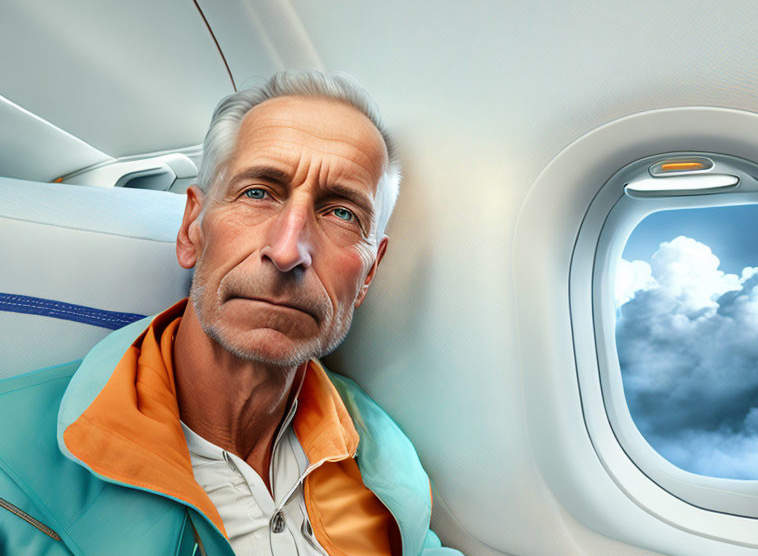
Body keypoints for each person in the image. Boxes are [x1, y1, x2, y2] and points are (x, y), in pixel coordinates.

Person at [0, 71, 464, 556]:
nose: (288, 251)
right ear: (191, 230)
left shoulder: (384, 463)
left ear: (368, 274)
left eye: (341, 213)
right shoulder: (10, 465)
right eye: (258, 192)